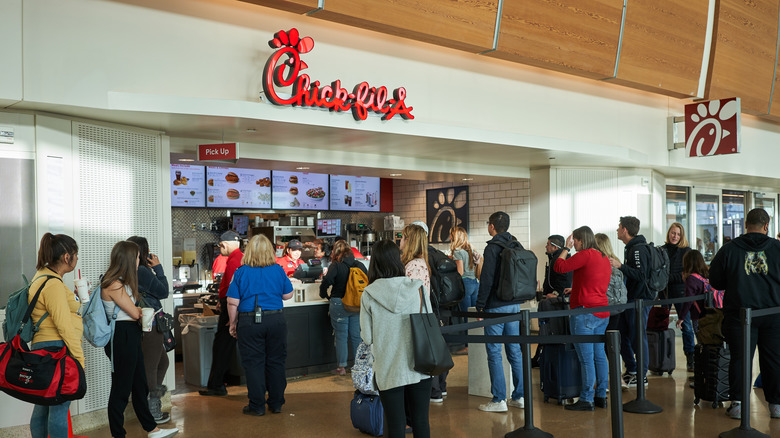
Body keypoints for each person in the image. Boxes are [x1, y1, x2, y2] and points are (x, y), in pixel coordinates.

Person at [100, 241, 178, 438]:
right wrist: (142, 311)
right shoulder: (113, 283)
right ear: (128, 259)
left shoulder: (123, 281)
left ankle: (152, 428)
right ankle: (119, 434)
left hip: (131, 335)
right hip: (122, 336)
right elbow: (135, 313)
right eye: (136, 257)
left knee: (139, 384)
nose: (139, 260)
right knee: (121, 389)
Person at [709, 208, 780, 420]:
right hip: (773, 314)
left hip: (740, 315)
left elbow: (715, 281)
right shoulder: (777, 248)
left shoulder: (729, 249)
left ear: (745, 225)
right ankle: (776, 405)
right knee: (774, 360)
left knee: (740, 359)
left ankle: (738, 404)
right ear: (766, 226)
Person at [360, 240, 432, 438]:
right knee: (421, 421)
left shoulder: (369, 294)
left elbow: (367, 336)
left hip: (388, 368)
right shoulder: (418, 288)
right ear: (398, 260)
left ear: (374, 262)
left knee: (395, 425)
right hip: (420, 364)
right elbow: (429, 322)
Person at [226, 234, 294, 416]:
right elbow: (288, 295)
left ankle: (256, 406)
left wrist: (233, 323)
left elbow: (232, 302)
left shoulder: (240, 272)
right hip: (276, 320)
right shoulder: (278, 270)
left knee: (254, 363)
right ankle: (276, 403)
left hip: (249, 322)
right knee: (276, 361)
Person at [28, 233, 84, 438]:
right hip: (55, 350)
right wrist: (79, 358)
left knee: (43, 405)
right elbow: (64, 326)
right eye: (76, 255)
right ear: (66, 257)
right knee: (59, 406)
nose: (77, 259)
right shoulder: (52, 284)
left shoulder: (42, 276)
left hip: (43, 349)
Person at [553, 226, 611, 411]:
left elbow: (559, 267)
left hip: (584, 312)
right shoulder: (603, 257)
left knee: (586, 359)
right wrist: (576, 289)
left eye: (575, 241)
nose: (575, 244)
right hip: (602, 311)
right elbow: (595, 281)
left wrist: (566, 248)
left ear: (581, 240)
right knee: (599, 355)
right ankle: (601, 395)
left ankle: (586, 399)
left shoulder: (584, 254)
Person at [475, 211, 525, 412]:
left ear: (492, 226)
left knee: (494, 352)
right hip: (515, 304)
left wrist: (480, 304)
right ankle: (519, 396)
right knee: (515, 350)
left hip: (495, 306)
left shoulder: (493, 248)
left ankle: (498, 399)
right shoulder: (516, 244)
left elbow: (486, 279)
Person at [127, 236, 171, 424]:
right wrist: (159, 268)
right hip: (151, 324)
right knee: (152, 366)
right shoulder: (142, 271)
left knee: (162, 362)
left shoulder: (127, 271)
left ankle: (150, 404)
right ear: (143, 253)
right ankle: (152, 411)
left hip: (142, 323)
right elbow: (163, 292)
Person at [402, 223, 444, 403]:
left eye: (403, 237)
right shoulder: (420, 263)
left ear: (410, 241)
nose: (400, 241)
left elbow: (410, 298)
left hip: (413, 320)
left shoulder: (414, 266)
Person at [200, 231, 243, 397]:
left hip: (231, 308)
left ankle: (217, 385)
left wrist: (233, 316)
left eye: (220, 246)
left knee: (222, 346)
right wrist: (220, 298)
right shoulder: (237, 258)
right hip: (228, 305)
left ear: (224, 245)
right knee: (223, 346)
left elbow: (235, 290)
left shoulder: (233, 261)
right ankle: (217, 383)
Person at [611, 216, 652, 388]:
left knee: (638, 336)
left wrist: (621, 266)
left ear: (625, 230)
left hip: (640, 299)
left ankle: (642, 375)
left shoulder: (637, 250)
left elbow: (641, 275)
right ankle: (633, 370)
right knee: (624, 333)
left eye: (619, 227)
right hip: (631, 300)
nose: (617, 230)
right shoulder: (632, 248)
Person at [319, 239, 366, 375]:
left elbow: (327, 281)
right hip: (356, 305)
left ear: (336, 252)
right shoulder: (360, 265)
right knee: (357, 336)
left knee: (341, 336)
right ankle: (359, 366)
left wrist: (323, 293)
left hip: (339, 303)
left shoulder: (336, 265)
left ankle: (341, 368)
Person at [661, 223, 694, 371]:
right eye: (673, 233)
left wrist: (666, 278)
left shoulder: (686, 251)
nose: (675, 236)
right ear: (669, 233)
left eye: (678, 234)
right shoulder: (662, 250)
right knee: (660, 325)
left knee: (686, 326)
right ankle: (662, 360)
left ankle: (691, 358)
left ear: (682, 236)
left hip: (682, 293)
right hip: (665, 293)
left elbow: (685, 275)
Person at [594, 233, 626, 332]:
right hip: (618, 307)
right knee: (612, 339)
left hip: (603, 307)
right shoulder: (616, 261)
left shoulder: (597, 263)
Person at [677, 250, 709, 333]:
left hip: (699, 315)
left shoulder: (691, 279)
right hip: (712, 313)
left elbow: (688, 300)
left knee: (701, 340)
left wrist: (681, 317)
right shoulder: (707, 275)